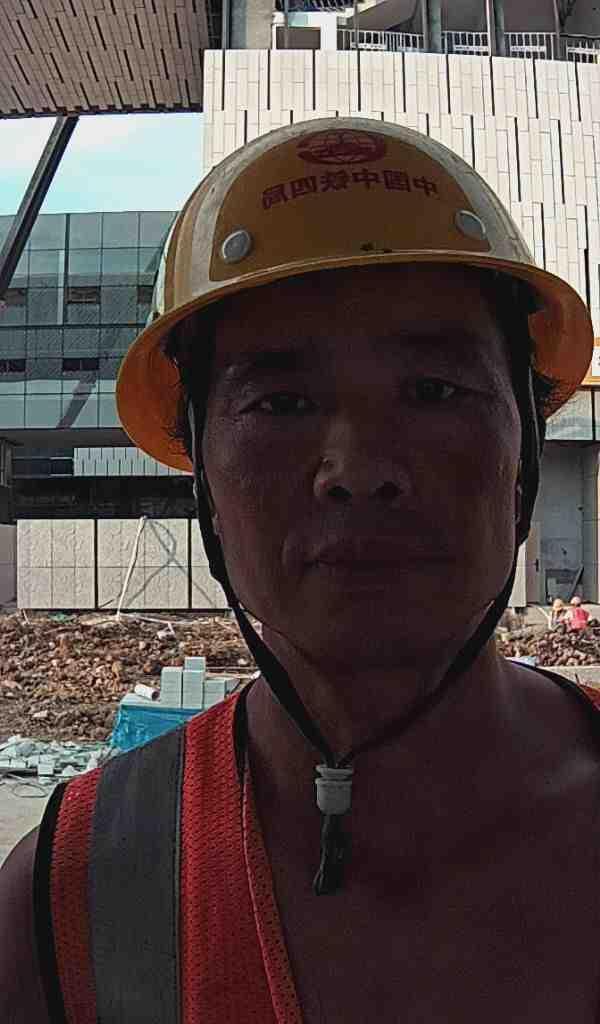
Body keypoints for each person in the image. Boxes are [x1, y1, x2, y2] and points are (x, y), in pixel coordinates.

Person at [2, 117, 600, 1023]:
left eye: (434, 391)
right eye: (281, 403)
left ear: (525, 441)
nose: (357, 470)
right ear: (201, 472)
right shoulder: (65, 904)